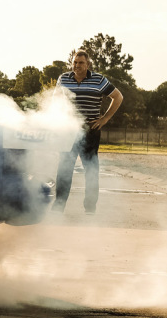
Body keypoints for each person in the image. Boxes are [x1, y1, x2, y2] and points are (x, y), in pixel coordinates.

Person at [53, 49, 124, 214]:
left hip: (90, 130)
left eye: (81, 63)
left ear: (88, 64)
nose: (77, 66)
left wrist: (104, 119)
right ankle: (58, 207)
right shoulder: (63, 78)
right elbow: (55, 101)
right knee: (64, 170)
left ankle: (90, 209)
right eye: (75, 62)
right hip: (68, 130)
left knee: (91, 170)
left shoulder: (98, 80)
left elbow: (118, 97)